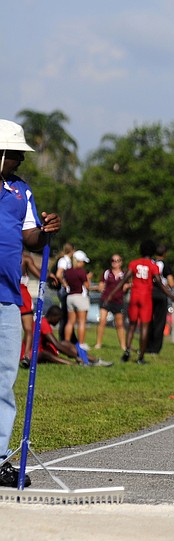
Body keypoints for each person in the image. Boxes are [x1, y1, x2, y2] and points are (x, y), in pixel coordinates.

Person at [0, 118, 62, 487]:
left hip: (8, 296)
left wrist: (46, 229)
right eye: (15, 154)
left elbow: (31, 238)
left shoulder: (21, 191)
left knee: (4, 380)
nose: (21, 161)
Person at [106, 240, 174, 364]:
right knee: (144, 327)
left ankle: (127, 350)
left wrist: (111, 294)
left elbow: (124, 279)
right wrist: (172, 296)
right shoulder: (153, 266)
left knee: (131, 325)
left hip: (134, 296)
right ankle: (141, 356)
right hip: (146, 297)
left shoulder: (134, 263)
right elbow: (159, 283)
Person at [38, 306, 112, 367]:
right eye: (58, 319)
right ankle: (76, 364)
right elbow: (57, 345)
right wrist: (75, 356)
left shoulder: (43, 321)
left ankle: (95, 360)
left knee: (66, 343)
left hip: (43, 348)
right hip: (37, 353)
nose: (58, 322)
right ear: (53, 316)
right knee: (47, 354)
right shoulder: (44, 324)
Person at [19, 252, 57, 369]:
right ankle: (26, 355)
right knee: (28, 328)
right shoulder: (25, 258)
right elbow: (40, 275)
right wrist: (49, 275)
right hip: (21, 293)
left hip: (6, 291)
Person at [95, 254, 127, 351]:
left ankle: (123, 345)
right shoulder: (106, 273)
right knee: (102, 321)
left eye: (117, 260)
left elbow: (126, 286)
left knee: (119, 324)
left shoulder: (124, 274)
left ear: (121, 262)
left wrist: (127, 287)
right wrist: (100, 287)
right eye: (113, 260)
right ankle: (98, 343)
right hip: (106, 300)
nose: (115, 262)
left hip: (118, 301)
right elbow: (101, 285)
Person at [148, 244, 174, 354]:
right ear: (165, 254)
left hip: (149, 293)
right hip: (161, 294)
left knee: (148, 320)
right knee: (160, 321)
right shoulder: (165, 265)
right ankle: (155, 348)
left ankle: (147, 345)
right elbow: (171, 282)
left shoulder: (150, 263)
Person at [63, 249, 91, 348]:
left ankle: (66, 342)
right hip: (80, 297)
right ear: (80, 261)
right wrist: (88, 278)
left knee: (70, 322)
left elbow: (65, 282)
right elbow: (87, 286)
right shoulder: (81, 272)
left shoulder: (68, 271)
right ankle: (81, 344)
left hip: (70, 297)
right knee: (81, 322)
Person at [54, 241, 75, 341]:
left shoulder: (67, 260)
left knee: (67, 314)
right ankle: (63, 338)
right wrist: (65, 284)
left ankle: (68, 337)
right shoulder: (64, 261)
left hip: (65, 289)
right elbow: (59, 274)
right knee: (65, 314)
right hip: (64, 290)